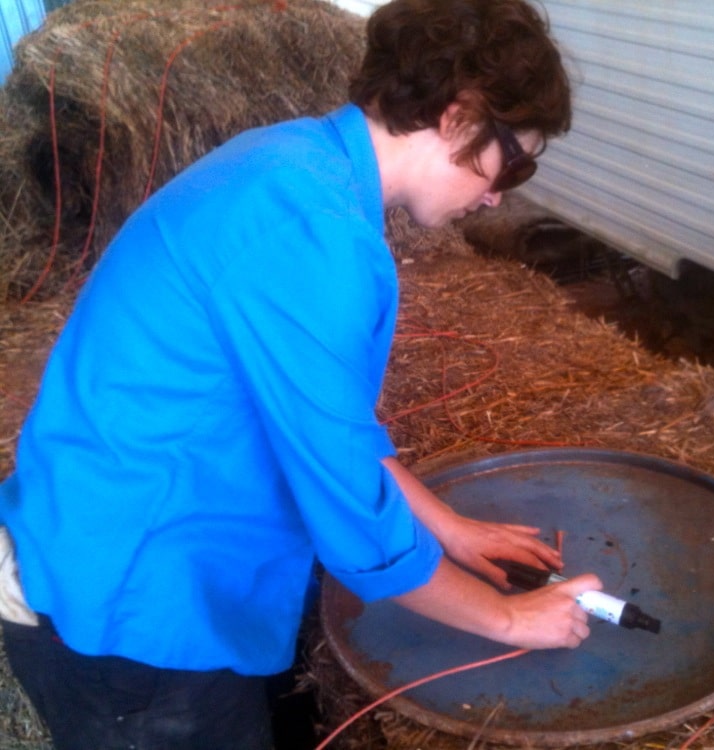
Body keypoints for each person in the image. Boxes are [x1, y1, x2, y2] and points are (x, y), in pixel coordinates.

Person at [0, 0, 603, 747]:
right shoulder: (314, 238)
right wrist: (512, 617)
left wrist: (448, 527)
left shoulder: (296, 165)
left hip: (127, 533)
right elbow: (356, 523)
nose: (499, 194)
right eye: (513, 160)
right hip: (127, 604)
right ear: (456, 117)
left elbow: (333, 426)